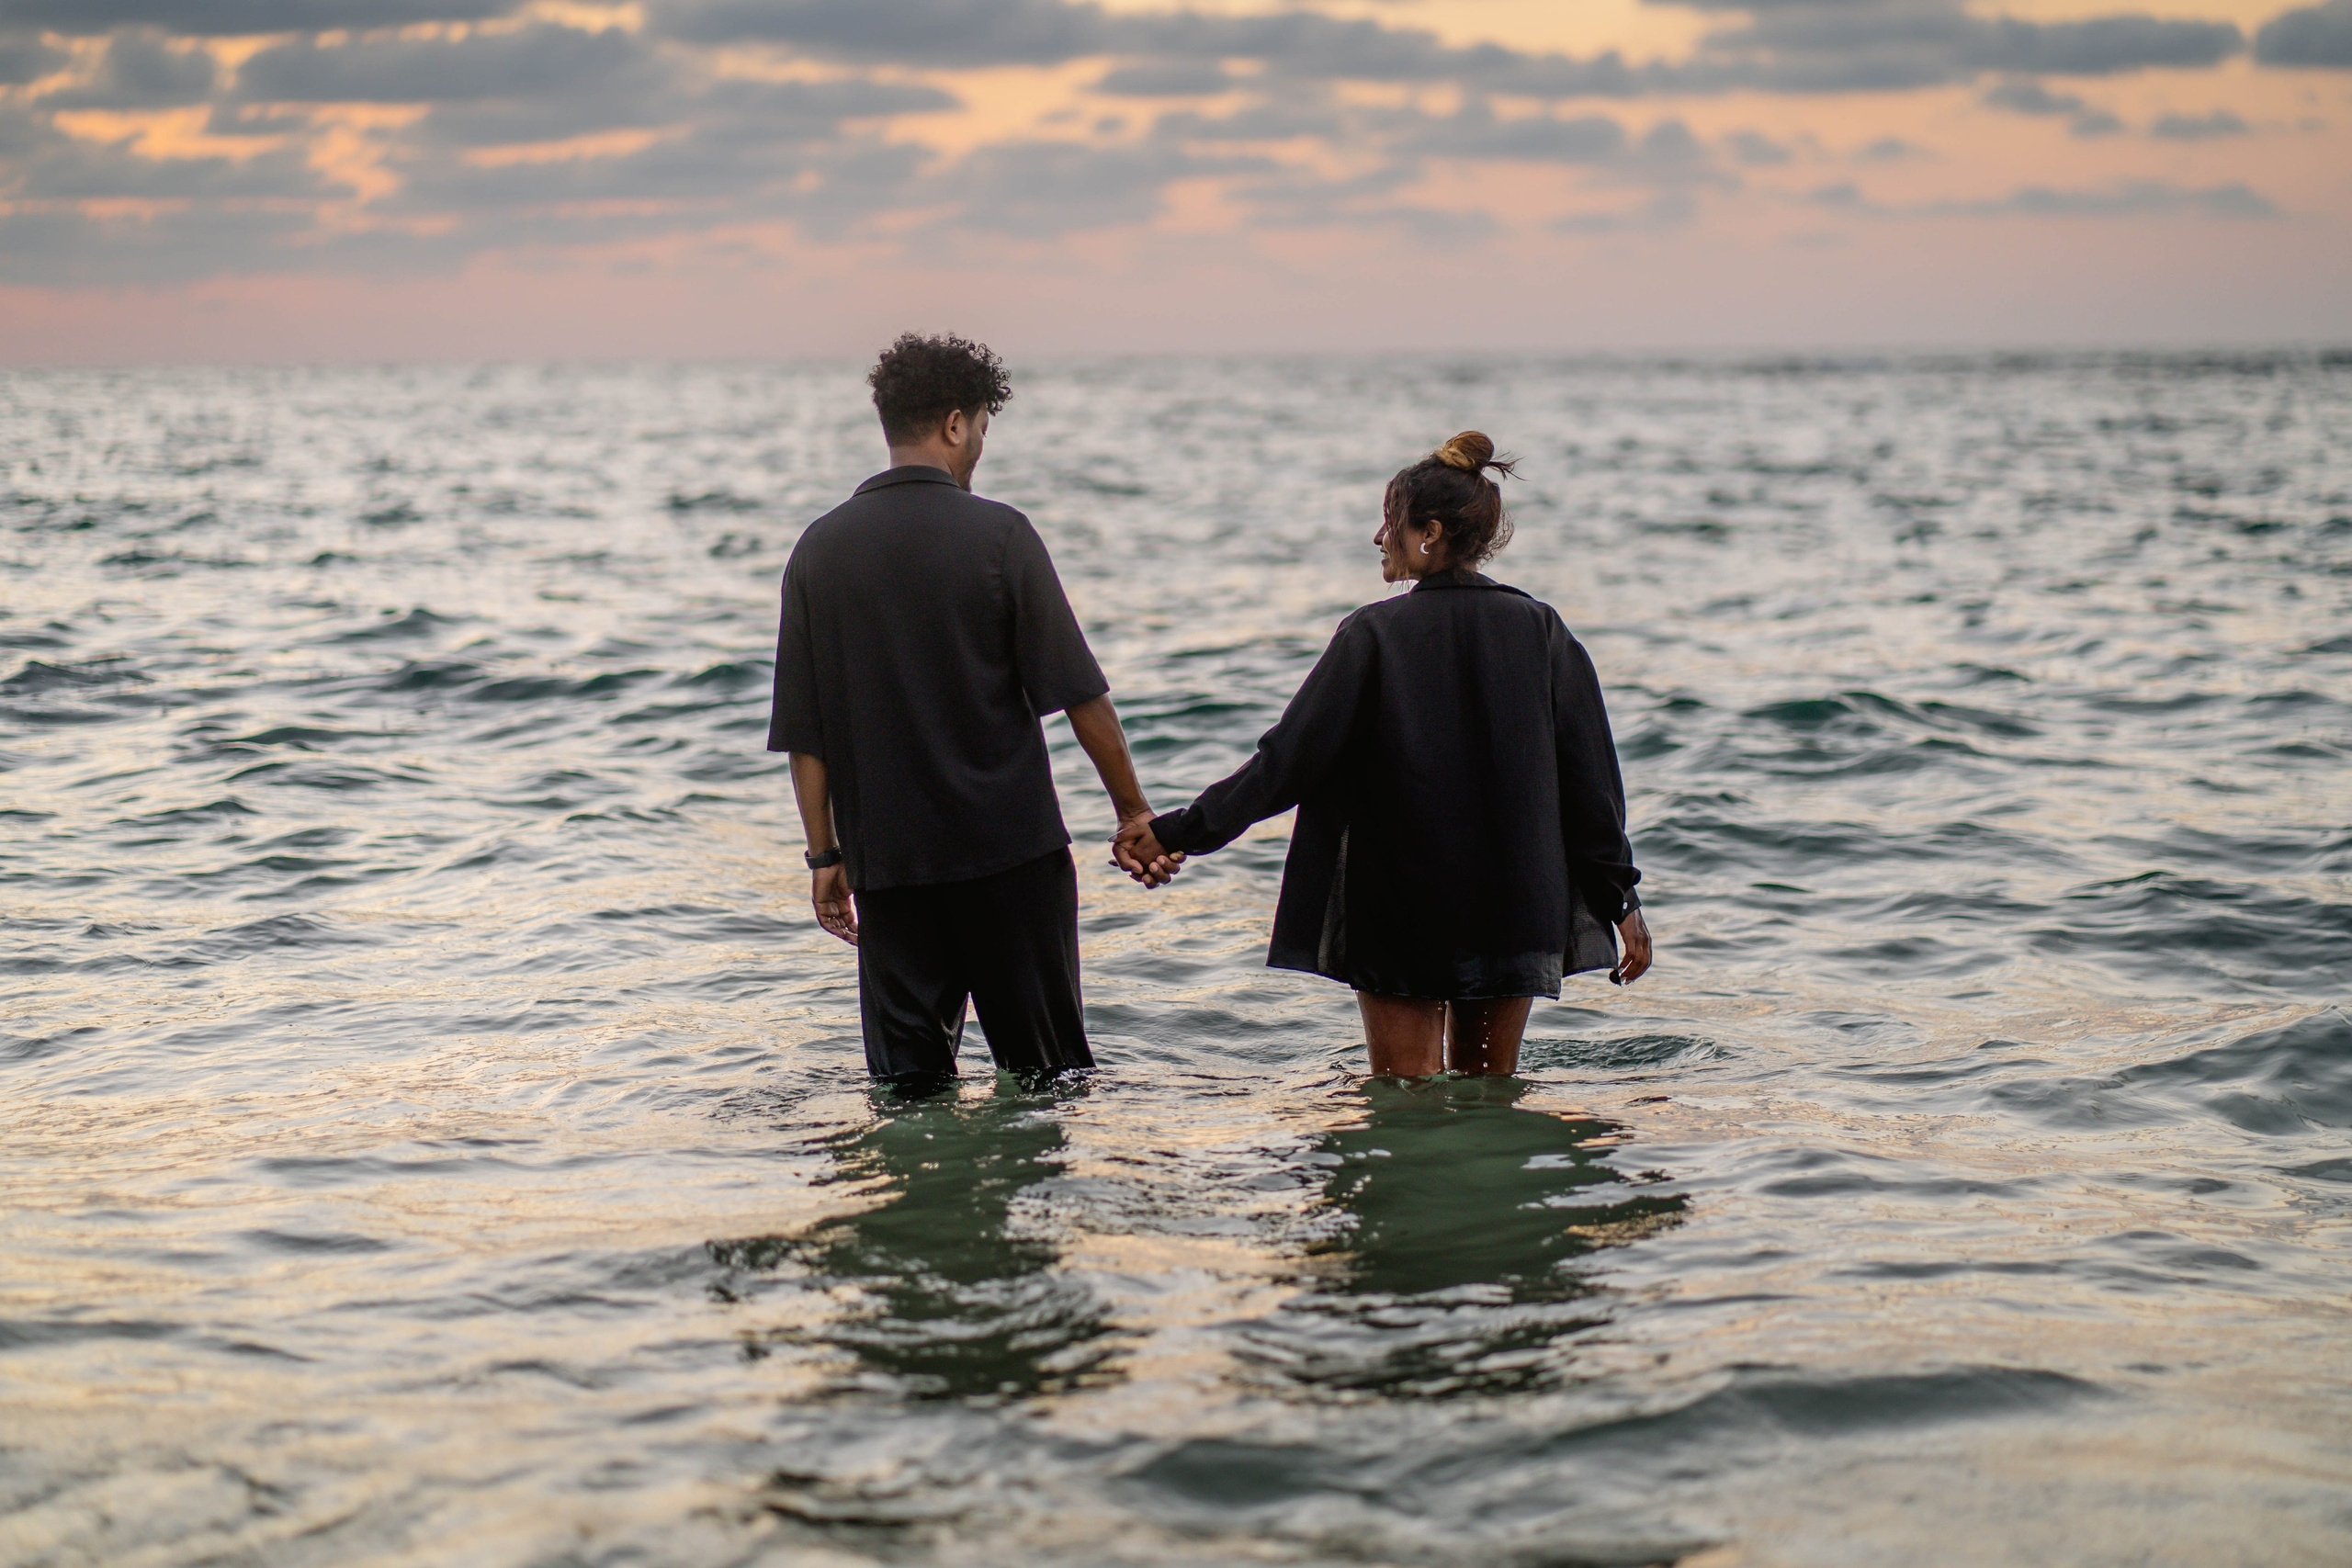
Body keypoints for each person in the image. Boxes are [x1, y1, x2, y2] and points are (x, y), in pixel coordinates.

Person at [1118, 432, 1651, 1078]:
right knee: (1490, 1096)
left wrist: (1173, 832)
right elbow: (1591, 786)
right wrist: (1622, 902)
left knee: (1406, 1102)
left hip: (1404, 904)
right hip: (1516, 901)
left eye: (1389, 522)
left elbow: (1284, 764)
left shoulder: (1372, 634)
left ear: (1428, 532)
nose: (1378, 537)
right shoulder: (1543, 630)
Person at [769, 333, 1173, 1086]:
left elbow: (806, 736)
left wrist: (826, 858)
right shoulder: (1001, 535)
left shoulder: (817, 552)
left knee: (909, 1093)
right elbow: (1085, 701)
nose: (980, 446)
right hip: (1012, 861)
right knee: (1048, 1078)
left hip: (891, 871)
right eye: (983, 427)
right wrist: (1133, 814)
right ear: (956, 423)